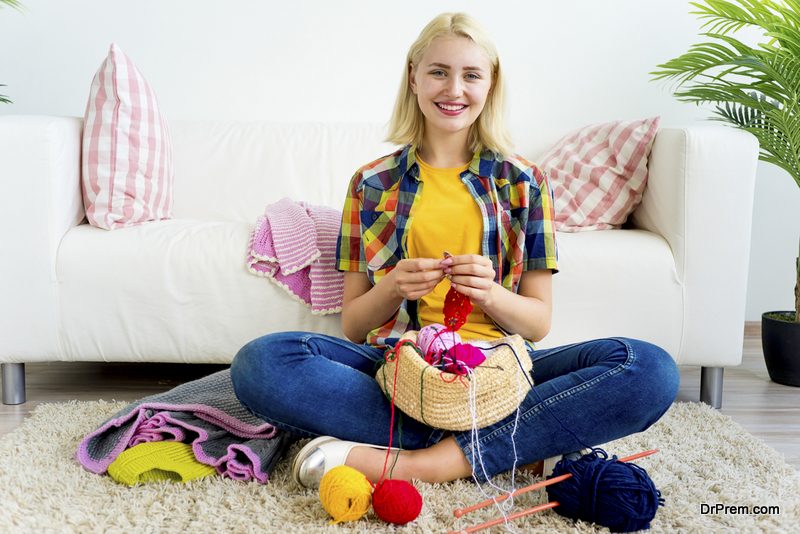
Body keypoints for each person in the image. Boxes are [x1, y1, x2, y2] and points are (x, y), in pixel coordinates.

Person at [230, 12, 679, 489]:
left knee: (649, 369)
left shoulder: (524, 182)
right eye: (439, 72)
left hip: (504, 372)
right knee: (262, 363)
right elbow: (355, 325)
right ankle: (514, 448)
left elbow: (538, 324)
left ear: (490, 85)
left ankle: (431, 463)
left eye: (471, 75)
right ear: (414, 77)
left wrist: (489, 293)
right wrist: (392, 287)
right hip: (397, 371)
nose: (454, 89)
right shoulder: (371, 183)